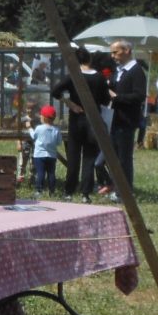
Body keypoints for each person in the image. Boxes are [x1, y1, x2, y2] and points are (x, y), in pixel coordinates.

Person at [51, 47, 111, 201]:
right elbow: (106, 100)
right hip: (94, 120)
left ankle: (69, 191)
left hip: (76, 119)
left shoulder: (73, 76)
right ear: (89, 59)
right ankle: (85, 193)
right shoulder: (99, 77)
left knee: (73, 156)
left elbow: (55, 91)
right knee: (89, 157)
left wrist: (69, 102)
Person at [105, 39, 145, 198]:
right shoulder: (119, 70)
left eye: (115, 52)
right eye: (111, 52)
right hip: (115, 119)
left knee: (124, 158)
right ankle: (117, 187)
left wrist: (117, 97)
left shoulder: (136, 71)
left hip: (127, 120)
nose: (112, 55)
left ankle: (125, 191)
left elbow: (139, 96)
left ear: (127, 51)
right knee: (114, 157)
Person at [29, 106, 61, 195]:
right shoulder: (56, 130)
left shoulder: (39, 128)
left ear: (43, 117)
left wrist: (29, 128)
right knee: (51, 173)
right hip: (52, 156)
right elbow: (59, 142)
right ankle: (52, 191)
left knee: (40, 173)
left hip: (39, 155)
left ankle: (39, 190)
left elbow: (33, 136)